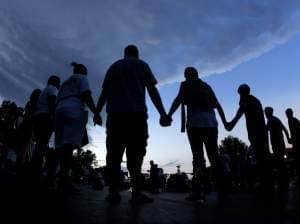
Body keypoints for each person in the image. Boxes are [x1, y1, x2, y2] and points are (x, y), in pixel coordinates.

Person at [95, 45, 171, 203]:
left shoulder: (114, 67)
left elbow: (104, 93)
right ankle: (136, 194)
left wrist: (97, 112)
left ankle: (113, 192)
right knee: (136, 154)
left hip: (115, 115)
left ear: (124, 53)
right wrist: (163, 113)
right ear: (137, 54)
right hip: (136, 115)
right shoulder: (142, 65)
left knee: (114, 154)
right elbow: (152, 90)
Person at [168, 67, 228, 202]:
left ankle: (197, 191)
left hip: (195, 124)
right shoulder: (206, 86)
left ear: (186, 76)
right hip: (211, 124)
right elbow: (217, 105)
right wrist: (225, 122)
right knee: (214, 156)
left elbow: (178, 100)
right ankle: (221, 188)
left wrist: (169, 115)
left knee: (198, 156)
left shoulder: (185, 85)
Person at [55, 62, 101, 192]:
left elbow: (57, 100)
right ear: (83, 71)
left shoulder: (65, 83)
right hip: (73, 111)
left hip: (59, 112)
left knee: (61, 147)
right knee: (68, 147)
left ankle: (54, 176)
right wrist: (96, 112)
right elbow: (86, 95)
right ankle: (64, 181)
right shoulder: (82, 78)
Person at [227, 84, 272, 190]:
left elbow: (240, 112)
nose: (239, 96)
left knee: (259, 156)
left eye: (240, 94)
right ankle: (266, 182)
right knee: (262, 155)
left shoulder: (247, 100)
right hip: (261, 132)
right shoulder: (255, 101)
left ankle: (264, 183)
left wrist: (231, 124)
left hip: (256, 132)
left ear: (243, 92)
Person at [32, 76, 60, 185]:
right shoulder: (53, 89)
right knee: (42, 146)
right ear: (55, 82)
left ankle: (34, 170)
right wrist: (54, 117)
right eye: (58, 82)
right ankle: (36, 172)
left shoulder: (44, 91)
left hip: (39, 117)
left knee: (39, 145)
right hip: (46, 118)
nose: (59, 84)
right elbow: (52, 103)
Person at [264, 107, 290, 190]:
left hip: (277, 143)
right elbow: (285, 129)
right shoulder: (276, 119)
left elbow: (266, 130)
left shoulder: (271, 120)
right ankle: (284, 181)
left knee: (279, 162)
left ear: (268, 113)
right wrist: (288, 137)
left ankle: (283, 182)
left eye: (265, 113)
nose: (265, 115)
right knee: (280, 161)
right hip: (280, 143)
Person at [285, 108, 300, 180]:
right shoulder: (291, 120)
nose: (286, 115)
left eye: (287, 113)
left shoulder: (293, 120)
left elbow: (296, 131)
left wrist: (292, 139)